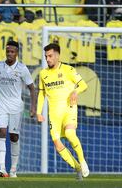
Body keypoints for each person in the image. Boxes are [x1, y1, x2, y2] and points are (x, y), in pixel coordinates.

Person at [37, 43, 89, 180]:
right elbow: (41, 94)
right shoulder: (43, 74)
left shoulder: (68, 69)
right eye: (46, 56)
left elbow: (84, 85)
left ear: (58, 55)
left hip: (69, 109)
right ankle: (77, 168)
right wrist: (38, 112)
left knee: (70, 133)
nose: (47, 59)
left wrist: (75, 91)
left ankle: (82, 162)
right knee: (57, 143)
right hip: (53, 114)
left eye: (50, 56)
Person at [0, 40, 36, 178]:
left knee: (14, 136)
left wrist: (33, 107)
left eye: (12, 52)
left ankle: (13, 169)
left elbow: (32, 88)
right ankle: (2, 168)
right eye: (8, 51)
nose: (9, 54)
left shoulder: (22, 69)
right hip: (0, 105)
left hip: (16, 107)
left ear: (17, 53)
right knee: (1, 132)